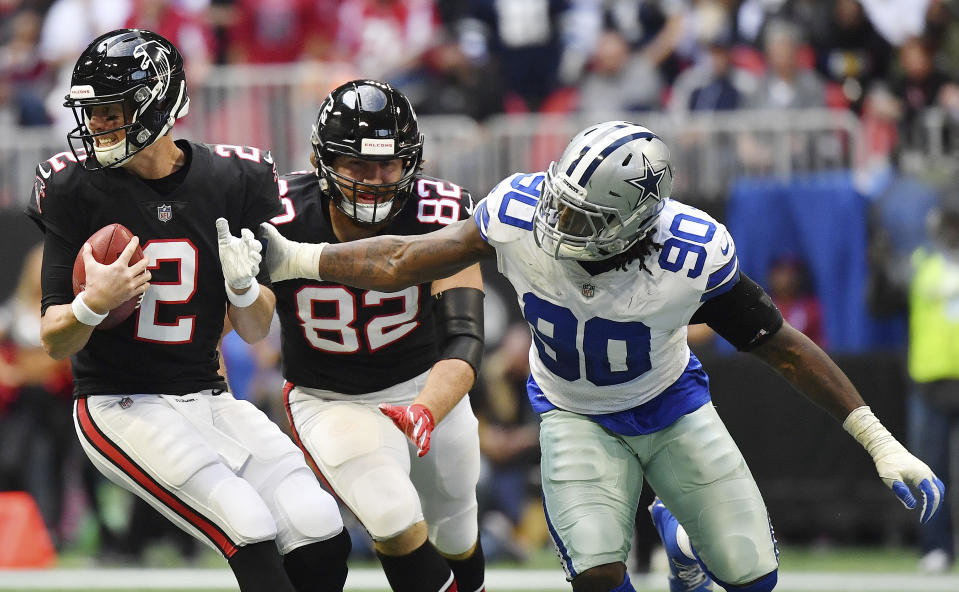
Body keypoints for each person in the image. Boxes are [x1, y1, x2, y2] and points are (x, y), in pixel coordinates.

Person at [258, 119, 946, 592]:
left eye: (582, 218)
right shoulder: (521, 211)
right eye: (560, 202)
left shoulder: (691, 253)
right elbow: (406, 257)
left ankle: (680, 545)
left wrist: (877, 442)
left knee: (749, 573)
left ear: (635, 221)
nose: (557, 223)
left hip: (671, 405)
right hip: (571, 412)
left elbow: (783, 350)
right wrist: (300, 259)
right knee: (594, 572)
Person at [25, 29, 349, 592]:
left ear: (158, 107)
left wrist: (245, 288)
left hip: (207, 394)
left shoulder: (233, 179)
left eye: (110, 110)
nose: (95, 125)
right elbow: (54, 339)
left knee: (317, 525)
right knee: (246, 524)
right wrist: (92, 304)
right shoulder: (73, 186)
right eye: (91, 111)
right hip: (116, 402)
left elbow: (253, 330)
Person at [266, 79, 487, 592]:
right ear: (324, 164)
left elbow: (464, 337)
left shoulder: (439, 210)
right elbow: (245, 324)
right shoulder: (279, 212)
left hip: (427, 385)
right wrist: (241, 287)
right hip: (330, 397)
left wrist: (427, 408)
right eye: (359, 165)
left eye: (389, 164)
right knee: (391, 515)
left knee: (455, 526)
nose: (377, 180)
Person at [905, 192, 959, 574]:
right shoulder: (922, 261)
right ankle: (936, 547)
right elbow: (887, 296)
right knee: (930, 470)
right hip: (930, 381)